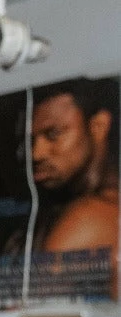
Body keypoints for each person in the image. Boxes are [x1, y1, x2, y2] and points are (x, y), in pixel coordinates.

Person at [31, 77, 119, 255]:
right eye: (31, 140)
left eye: (53, 134)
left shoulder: (90, 218)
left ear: (98, 126)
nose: (36, 154)